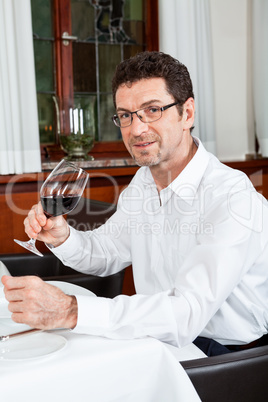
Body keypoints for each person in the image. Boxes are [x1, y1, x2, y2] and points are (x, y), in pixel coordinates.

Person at [2, 51, 268, 356]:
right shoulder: (143, 183)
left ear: (188, 114)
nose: (136, 129)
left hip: (228, 357)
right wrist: (63, 237)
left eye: (152, 110)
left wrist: (71, 310)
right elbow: (106, 253)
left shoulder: (232, 198)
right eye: (125, 115)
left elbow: (186, 314)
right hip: (157, 339)